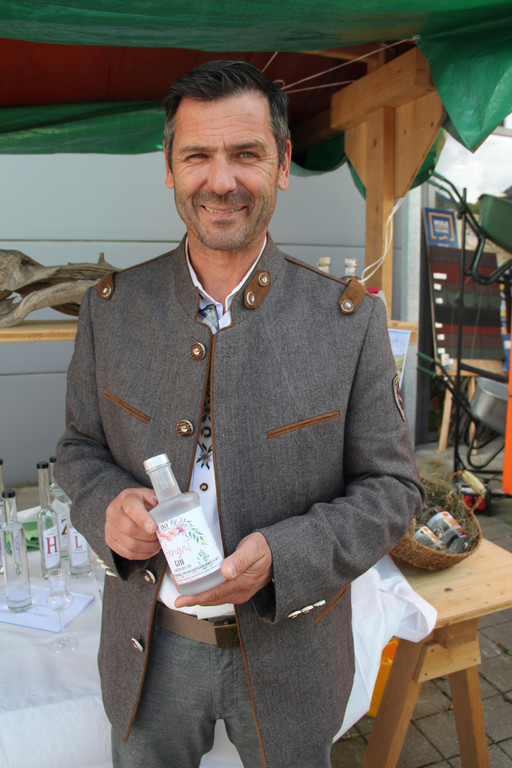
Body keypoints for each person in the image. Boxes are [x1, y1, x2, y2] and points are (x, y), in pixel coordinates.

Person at [56, 60, 424, 768]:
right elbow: (79, 449)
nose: (221, 181)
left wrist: (285, 557)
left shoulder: (348, 322)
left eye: (246, 154)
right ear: (169, 168)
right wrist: (106, 508)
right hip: (149, 653)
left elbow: (392, 491)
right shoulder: (111, 311)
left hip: (295, 658)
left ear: (282, 165)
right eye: (197, 155)